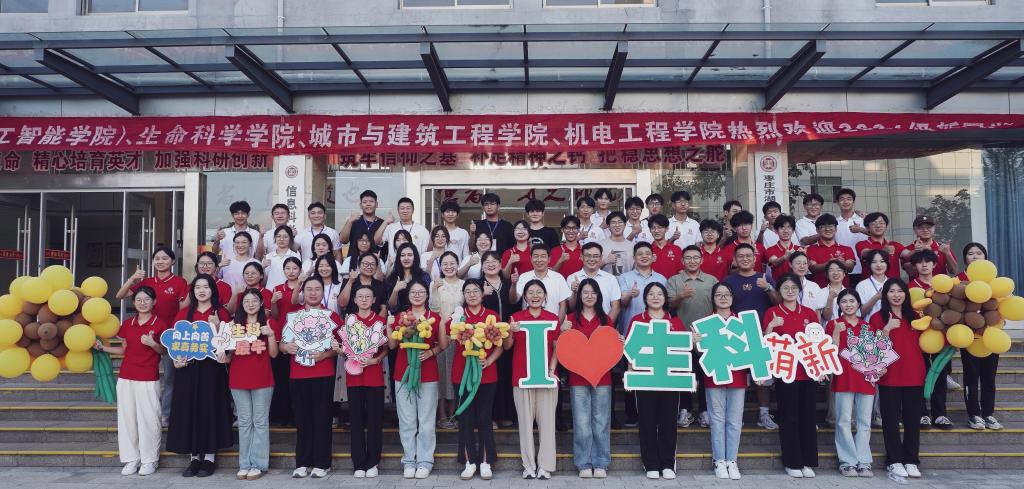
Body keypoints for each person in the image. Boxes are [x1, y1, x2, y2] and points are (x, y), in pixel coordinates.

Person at [166, 275, 233, 478]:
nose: (201, 290)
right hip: (188, 369)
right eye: (197, 287)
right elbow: (175, 342)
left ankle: (209, 457)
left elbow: (229, 343)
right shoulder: (184, 314)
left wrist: (218, 325)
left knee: (210, 409)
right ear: (192, 291)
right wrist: (176, 360)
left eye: (206, 287)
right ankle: (194, 457)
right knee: (190, 410)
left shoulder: (221, 312)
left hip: (212, 370)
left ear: (213, 290)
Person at [115, 246, 189, 428]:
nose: (160, 261)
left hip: (170, 337)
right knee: (147, 376)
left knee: (170, 378)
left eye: (165, 258)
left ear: (172, 261)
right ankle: (146, 413)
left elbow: (183, 310)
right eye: (157, 258)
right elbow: (120, 295)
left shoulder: (180, 282)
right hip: (146, 336)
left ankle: (165, 415)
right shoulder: (147, 282)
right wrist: (132, 279)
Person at [97, 286, 166, 477]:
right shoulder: (128, 324)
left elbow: (165, 351)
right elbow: (124, 350)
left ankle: (149, 460)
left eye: (147, 299)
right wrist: (102, 348)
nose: (143, 303)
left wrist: (152, 343)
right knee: (127, 419)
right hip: (126, 377)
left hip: (148, 378)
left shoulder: (160, 324)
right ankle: (131, 459)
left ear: (154, 302)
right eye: (139, 300)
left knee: (149, 419)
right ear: (133, 302)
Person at [280, 276, 342, 479]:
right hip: (298, 374)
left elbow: (341, 347)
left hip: (323, 373)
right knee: (302, 420)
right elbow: (282, 344)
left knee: (322, 419)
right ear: (303, 292)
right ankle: (302, 462)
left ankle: (322, 463)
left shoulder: (331, 316)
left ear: (323, 292)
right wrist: (286, 347)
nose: (313, 293)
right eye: (309, 289)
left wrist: (325, 355)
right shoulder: (293, 316)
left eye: (317, 289)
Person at [388, 279, 447, 479]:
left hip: (428, 374)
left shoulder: (434, 318)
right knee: (407, 420)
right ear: (408, 295)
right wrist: (389, 327)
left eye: (421, 292)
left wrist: (431, 352)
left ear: (427, 295)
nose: (417, 295)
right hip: (402, 373)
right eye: (413, 292)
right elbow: (392, 345)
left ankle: (425, 461)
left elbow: (443, 344)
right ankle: (409, 460)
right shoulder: (401, 317)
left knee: (426, 421)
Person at [763, 273, 820, 479]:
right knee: (789, 417)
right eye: (785, 288)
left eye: (793, 288)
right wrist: (771, 326)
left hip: (808, 372)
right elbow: (766, 343)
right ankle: (792, 461)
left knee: (808, 417)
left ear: (799, 290)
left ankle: (808, 461)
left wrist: (820, 368)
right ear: (779, 291)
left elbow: (818, 342)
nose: (789, 291)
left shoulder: (809, 313)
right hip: (786, 372)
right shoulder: (772, 312)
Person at [332, 284, 388, 479]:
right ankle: (358, 463)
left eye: (368, 296)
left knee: (374, 421)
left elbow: (387, 348)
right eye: (360, 296)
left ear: (374, 300)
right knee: (356, 421)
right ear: (354, 300)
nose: (364, 300)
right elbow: (343, 348)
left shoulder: (380, 321)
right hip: (354, 377)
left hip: (374, 377)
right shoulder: (348, 321)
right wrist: (339, 350)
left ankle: (373, 462)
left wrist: (376, 360)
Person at [872, 278, 925, 481]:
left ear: (906, 294)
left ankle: (911, 460)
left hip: (914, 374)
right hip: (890, 376)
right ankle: (894, 460)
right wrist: (887, 329)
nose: (896, 295)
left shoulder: (916, 317)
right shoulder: (878, 317)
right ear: (885, 295)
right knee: (891, 421)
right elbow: (875, 349)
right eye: (891, 291)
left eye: (900, 291)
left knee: (912, 420)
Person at [506, 280, 560, 480]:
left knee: (547, 423)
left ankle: (545, 466)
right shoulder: (517, 318)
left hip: (546, 378)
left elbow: (557, 348)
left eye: (539, 292)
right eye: (530, 292)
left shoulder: (552, 318)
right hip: (522, 377)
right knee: (525, 423)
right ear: (525, 296)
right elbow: (507, 346)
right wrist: (510, 331)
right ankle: (528, 465)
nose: (535, 295)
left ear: (545, 296)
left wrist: (551, 370)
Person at [563, 278, 616, 479]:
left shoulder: (606, 320)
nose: (589, 296)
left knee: (601, 422)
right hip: (578, 379)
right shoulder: (570, 319)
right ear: (579, 296)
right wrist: (562, 331)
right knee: (582, 422)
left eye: (593, 292)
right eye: (585, 292)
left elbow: (612, 347)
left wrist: (619, 340)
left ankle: (601, 462)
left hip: (603, 378)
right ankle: (583, 462)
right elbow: (563, 347)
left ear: (599, 296)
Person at [629, 282, 683, 480]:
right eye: (651, 294)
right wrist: (631, 371)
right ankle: (651, 463)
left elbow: (682, 351)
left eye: (659, 294)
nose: (655, 297)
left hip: (670, 380)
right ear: (645, 298)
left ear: (665, 298)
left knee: (668, 422)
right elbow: (631, 350)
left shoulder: (674, 321)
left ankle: (668, 463)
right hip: (645, 379)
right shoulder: (637, 320)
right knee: (647, 422)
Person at [451, 280, 503, 481]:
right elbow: (448, 338)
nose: (472, 295)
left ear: (483, 294)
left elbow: (500, 345)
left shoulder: (491, 316)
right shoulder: (458, 316)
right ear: (463, 295)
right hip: (461, 374)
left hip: (486, 374)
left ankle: (485, 462)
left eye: (475, 291)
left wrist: (489, 360)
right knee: (465, 419)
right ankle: (469, 462)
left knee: (484, 418)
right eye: (468, 292)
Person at [723, 243, 779, 430]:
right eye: (741, 256)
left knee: (762, 377)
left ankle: (764, 414)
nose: (745, 259)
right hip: (735, 334)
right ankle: (733, 415)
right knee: (735, 375)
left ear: (755, 258)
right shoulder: (729, 281)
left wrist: (767, 288)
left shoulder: (765, 277)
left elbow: (778, 303)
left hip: (760, 334)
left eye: (748, 256)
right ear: (735, 259)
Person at [225, 289, 279, 480]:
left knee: (260, 421)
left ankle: (258, 464)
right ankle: (244, 464)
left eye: (254, 300)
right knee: (244, 422)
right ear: (241, 304)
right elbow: (228, 356)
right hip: (238, 378)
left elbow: (274, 354)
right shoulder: (234, 325)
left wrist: (270, 335)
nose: (250, 304)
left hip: (262, 378)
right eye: (246, 301)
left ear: (261, 303)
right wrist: (222, 354)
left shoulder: (269, 323)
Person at [827, 289, 876, 478]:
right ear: (839, 305)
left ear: (858, 304)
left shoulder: (867, 326)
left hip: (866, 378)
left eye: (852, 301)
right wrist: (836, 333)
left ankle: (864, 462)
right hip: (843, 377)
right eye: (844, 301)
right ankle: (847, 462)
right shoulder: (833, 324)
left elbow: (873, 355)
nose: (848, 305)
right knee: (843, 420)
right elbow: (830, 353)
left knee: (864, 421)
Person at [666, 245, 716, 428]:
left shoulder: (711, 280)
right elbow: (667, 305)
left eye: (696, 258)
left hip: (707, 336)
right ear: (682, 261)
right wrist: (680, 296)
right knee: (684, 373)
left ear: (701, 260)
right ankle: (684, 410)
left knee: (706, 374)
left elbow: (719, 304)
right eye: (688, 258)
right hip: (682, 335)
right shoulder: (674, 280)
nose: (692, 261)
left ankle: (704, 410)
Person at [703, 282, 745, 481]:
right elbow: (700, 353)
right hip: (714, 375)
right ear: (713, 299)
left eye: (726, 294)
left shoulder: (743, 322)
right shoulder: (705, 322)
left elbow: (752, 350)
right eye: (718, 294)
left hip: (738, 376)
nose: (723, 297)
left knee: (735, 420)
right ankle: (719, 460)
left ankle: (732, 460)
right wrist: (695, 341)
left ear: (732, 297)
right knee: (717, 419)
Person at [958, 242, 1002, 430]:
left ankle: (988, 414)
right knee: (971, 376)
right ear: (965, 258)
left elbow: (1004, 306)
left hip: (991, 337)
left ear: (985, 257)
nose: (975, 256)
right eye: (970, 253)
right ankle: (974, 415)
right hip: (969, 337)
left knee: (989, 377)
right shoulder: (959, 281)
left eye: (979, 253)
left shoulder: (994, 280)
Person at [479, 250, 517, 428]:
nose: (491, 264)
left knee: (506, 376)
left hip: (508, 336)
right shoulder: (478, 285)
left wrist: (514, 285)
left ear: (501, 264)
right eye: (486, 262)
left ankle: (504, 414)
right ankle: (490, 417)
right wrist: (483, 295)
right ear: (482, 266)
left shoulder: (508, 283)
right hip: (486, 338)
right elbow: (469, 306)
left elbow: (514, 301)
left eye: (494, 261)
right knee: (490, 378)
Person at [429, 251, 464, 430]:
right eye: (445, 264)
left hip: (460, 337)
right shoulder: (436, 284)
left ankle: (454, 413)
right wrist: (435, 289)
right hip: (441, 336)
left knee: (455, 375)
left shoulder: (464, 284)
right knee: (441, 376)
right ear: (440, 267)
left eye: (452, 263)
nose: (449, 267)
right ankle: (442, 415)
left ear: (458, 265)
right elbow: (433, 309)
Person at [269, 256, 302, 426]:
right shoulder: (277, 289)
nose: (291, 271)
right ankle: (281, 415)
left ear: (300, 270)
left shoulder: (305, 287)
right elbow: (275, 315)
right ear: (283, 271)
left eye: (294, 268)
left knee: (297, 380)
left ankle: (296, 415)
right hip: (283, 338)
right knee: (281, 379)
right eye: (288, 268)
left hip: (301, 337)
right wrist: (273, 302)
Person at [617, 242, 667, 337]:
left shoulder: (661, 279)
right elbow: (622, 302)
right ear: (634, 258)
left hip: (656, 329)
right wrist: (630, 294)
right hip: (631, 328)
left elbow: (665, 305)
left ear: (653, 257)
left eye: (647, 254)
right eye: (640, 254)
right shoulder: (624, 277)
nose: (644, 256)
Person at [567, 243, 622, 326]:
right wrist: (574, 293)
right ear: (581, 257)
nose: (592, 259)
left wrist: (605, 327)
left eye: (595, 256)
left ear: (601, 257)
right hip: (579, 327)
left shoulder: (611, 279)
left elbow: (616, 307)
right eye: (588, 256)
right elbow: (571, 308)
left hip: (604, 327)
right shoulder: (572, 278)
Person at [513, 245, 571, 318]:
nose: (539, 260)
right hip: (529, 322)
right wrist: (513, 284)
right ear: (531, 259)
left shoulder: (558, 278)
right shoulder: (524, 277)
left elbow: (563, 305)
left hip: (553, 322)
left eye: (543, 256)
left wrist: (558, 323)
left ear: (549, 259)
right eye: (536, 256)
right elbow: (514, 300)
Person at [805, 214, 856, 288]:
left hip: (843, 292)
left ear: (836, 229)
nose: (827, 229)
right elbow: (812, 268)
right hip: (819, 291)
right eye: (823, 227)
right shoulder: (810, 249)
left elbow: (850, 268)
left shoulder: (847, 249)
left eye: (831, 226)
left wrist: (842, 263)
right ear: (817, 230)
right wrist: (829, 263)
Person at [386, 242, 431, 313]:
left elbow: (429, 300)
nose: (406, 258)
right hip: (399, 317)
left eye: (410, 255)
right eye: (403, 255)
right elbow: (390, 307)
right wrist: (395, 290)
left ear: (415, 257)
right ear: (399, 258)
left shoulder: (424, 276)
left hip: (420, 316)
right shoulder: (392, 278)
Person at [856, 212, 903, 280]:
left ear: (886, 226)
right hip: (870, 285)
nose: (878, 226)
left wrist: (917, 249)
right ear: (867, 228)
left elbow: (908, 254)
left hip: (893, 285)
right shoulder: (861, 244)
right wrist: (883, 251)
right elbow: (866, 253)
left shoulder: (895, 244)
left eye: (881, 223)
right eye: (873, 224)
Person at [834, 189, 868, 284]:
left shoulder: (863, 220)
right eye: (842, 199)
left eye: (849, 199)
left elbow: (875, 234)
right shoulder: (834, 223)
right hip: (841, 268)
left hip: (863, 267)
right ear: (837, 202)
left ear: (853, 201)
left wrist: (860, 229)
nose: (845, 202)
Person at [339, 252, 388, 317]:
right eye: (365, 264)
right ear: (359, 265)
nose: (369, 267)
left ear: (376, 267)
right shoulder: (348, 281)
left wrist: (376, 321)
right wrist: (350, 281)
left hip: (374, 321)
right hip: (352, 321)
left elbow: (383, 308)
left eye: (372, 264)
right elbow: (342, 304)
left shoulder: (380, 285)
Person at [340, 190, 384, 260]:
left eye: (371, 201)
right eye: (365, 202)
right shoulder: (353, 221)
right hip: (354, 262)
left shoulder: (383, 223)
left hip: (375, 262)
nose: (368, 204)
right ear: (360, 205)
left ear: (376, 204)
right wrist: (349, 222)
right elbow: (343, 240)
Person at [763, 214, 801, 281]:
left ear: (793, 231)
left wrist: (805, 257)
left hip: (796, 285)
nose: (786, 231)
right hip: (777, 285)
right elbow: (774, 262)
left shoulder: (799, 249)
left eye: (789, 227)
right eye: (782, 227)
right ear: (776, 231)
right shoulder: (770, 250)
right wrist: (784, 257)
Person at [855, 249, 891, 319]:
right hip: (869, 324)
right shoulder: (862, 285)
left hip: (892, 323)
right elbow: (860, 313)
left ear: (887, 263)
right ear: (869, 264)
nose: (878, 265)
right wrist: (876, 298)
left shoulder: (893, 283)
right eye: (874, 262)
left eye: (882, 261)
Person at [263, 225, 301, 289]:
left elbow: (298, 278)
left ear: (290, 238)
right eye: (278, 236)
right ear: (275, 238)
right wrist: (263, 268)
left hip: (288, 292)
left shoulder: (295, 256)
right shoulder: (267, 257)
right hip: (270, 292)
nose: (281, 239)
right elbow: (264, 281)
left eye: (285, 237)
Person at [598, 212, 634, 276]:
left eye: (620, 222)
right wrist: (605, 261)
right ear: (608, 226)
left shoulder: (632, 246)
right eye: (613, 222)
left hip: (627, 281)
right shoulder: (600, 245)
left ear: (625, 225)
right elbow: (592, 268)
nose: (617, 225)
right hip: (607, 281)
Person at [648, 214, 683, 280]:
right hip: (652, 286)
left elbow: (681, 272)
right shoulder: (647, 251)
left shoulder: (676, 249)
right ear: (650, 230)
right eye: (653, 228)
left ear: (666, 229)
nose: (656, 231)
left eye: (660, 227)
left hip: (672, 286)